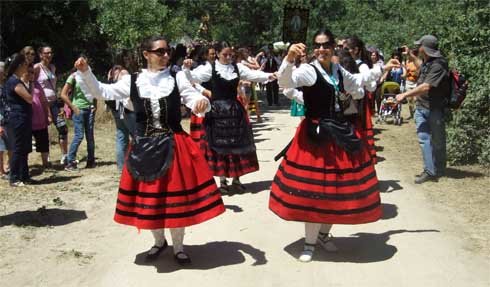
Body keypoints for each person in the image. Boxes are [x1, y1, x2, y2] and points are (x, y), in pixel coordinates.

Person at [74, 35, 225, 265]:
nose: (166, 55)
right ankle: (158, 241)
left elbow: (191, 96)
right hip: (144, 146)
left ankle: (179, 247)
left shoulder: (177, 77)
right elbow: (102, 92)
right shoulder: (132, 81)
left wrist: (200, 104)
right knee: (151, 199)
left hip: (174, 144)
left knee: (175, 199)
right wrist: (86, 72)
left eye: (167, 51)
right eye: (160, 52)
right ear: (146, 54)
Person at [271, 28, 399, 262]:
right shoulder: (308, 71)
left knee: (335, 191)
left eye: (326, 45)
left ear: (333, 47)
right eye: (318, 45)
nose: (322, 49)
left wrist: (384, 68)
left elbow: (359, 82)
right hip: (314, 139)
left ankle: (323, 235)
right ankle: (309, 243)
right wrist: (289, 59)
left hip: (337, 135)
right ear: (313, 48)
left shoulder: (338, 70)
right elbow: (286, 81)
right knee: (314, 192)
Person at [182, 41, 276, 193]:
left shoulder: (237, 68)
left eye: (230, 55)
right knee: (218, 146)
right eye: (225, 54)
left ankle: (237, 179)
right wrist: (186, 68)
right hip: (216, 112)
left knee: (237, 145)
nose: (228, 57)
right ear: (218, 54)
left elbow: (254, 75)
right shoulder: (209, 69)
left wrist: (270, 76)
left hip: (234, 112)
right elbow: (192, 78)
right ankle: (223, 181)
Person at [396, 35, 450, 183]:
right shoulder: (427, 62)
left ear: (425, 48)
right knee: (424, 139)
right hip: (421, 107)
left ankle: (439, 167)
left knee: (438, 140)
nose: (417, 47)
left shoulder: (439, 64)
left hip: (435, 109)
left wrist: (405, 94)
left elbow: (426, 86)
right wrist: (411, 56)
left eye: (419, 46)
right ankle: (429, 170)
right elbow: (420, 66)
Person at [344, 36, 378, 163]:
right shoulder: (342, 63)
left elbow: (372, 86)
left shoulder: (361, 66)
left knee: (357, 129)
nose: (344, 51)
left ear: (356, 50)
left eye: (346, 49)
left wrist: (360, 85)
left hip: (357, 103)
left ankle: (361, 159)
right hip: (346, 101)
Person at [34, 45, 69, 165]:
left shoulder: (53, 67)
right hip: (42, 104)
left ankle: (65, 155)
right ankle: (46, 157)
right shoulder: (36, 68)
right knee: (44, 131)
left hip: (54, 103)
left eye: (51, 53)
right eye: (46, 53)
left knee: (62, 127)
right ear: (40, 55)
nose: (49, 55)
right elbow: (31, 84)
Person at [61, 63, 97, 171]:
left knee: (90, 136)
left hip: (89, 109)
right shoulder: (73, 77)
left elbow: (94, 91)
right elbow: (63, 94)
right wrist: (73, 107)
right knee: (79, 135)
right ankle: (70, 162)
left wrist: (95, 105)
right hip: (79, 110)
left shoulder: (90, 76)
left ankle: (91, 161)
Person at [4, 54, 33, 187]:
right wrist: (30, 83)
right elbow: (29, 98)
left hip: (23, 117)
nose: (27, 67)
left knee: (25, 147)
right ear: (19, 66)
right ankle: (14, 177)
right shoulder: (13, 81)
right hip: (17, 118)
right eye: (25, 65)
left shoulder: (18, 80)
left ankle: (24, 175)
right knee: (18, 147)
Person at [106, 64, 136, 171]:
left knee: (121, 135)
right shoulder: (124, 73)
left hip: (115, 109)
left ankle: (121, 166)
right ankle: (135, 162)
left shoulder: (110, 73)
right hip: (125, 108)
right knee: (135, 135)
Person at [26, 64, 52, 169]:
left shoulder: (37, 85)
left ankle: (45, 162)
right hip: (28, 121)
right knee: (26, 144)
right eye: (29, 72)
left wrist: (48, 114)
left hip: (40, 119)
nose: (31, 74)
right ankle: (25, 164)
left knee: (43, 141)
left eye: (33, 72)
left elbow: (44, 101)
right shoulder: (21, 85)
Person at [0, 60, 11, 179]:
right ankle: (1, 171)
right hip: (1, 120)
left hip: (9, 118)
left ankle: (9, 166)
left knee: (10, 145)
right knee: (1, 147)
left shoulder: (6, 85)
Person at [403, 47, 422, 119]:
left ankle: (416, 114)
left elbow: (419, 73)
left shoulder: (418, 62)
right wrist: (403, 74)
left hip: (416, 82)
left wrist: (413, 73)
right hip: (408, 82)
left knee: (416, 99)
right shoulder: (407, 62)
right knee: (409, 100)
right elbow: (405, 73)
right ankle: (411, 114)